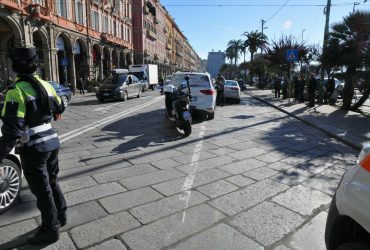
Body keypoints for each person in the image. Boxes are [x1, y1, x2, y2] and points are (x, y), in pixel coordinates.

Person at [0, 48, 66, 244]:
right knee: (52, 182)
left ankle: (50, 230)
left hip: (34, 148)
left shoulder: (16, 90)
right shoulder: (46, 85)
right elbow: (60, 107)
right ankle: (61, 216)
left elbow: (12, 129)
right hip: (52, 142)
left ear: (15, 66)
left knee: (42, 190)